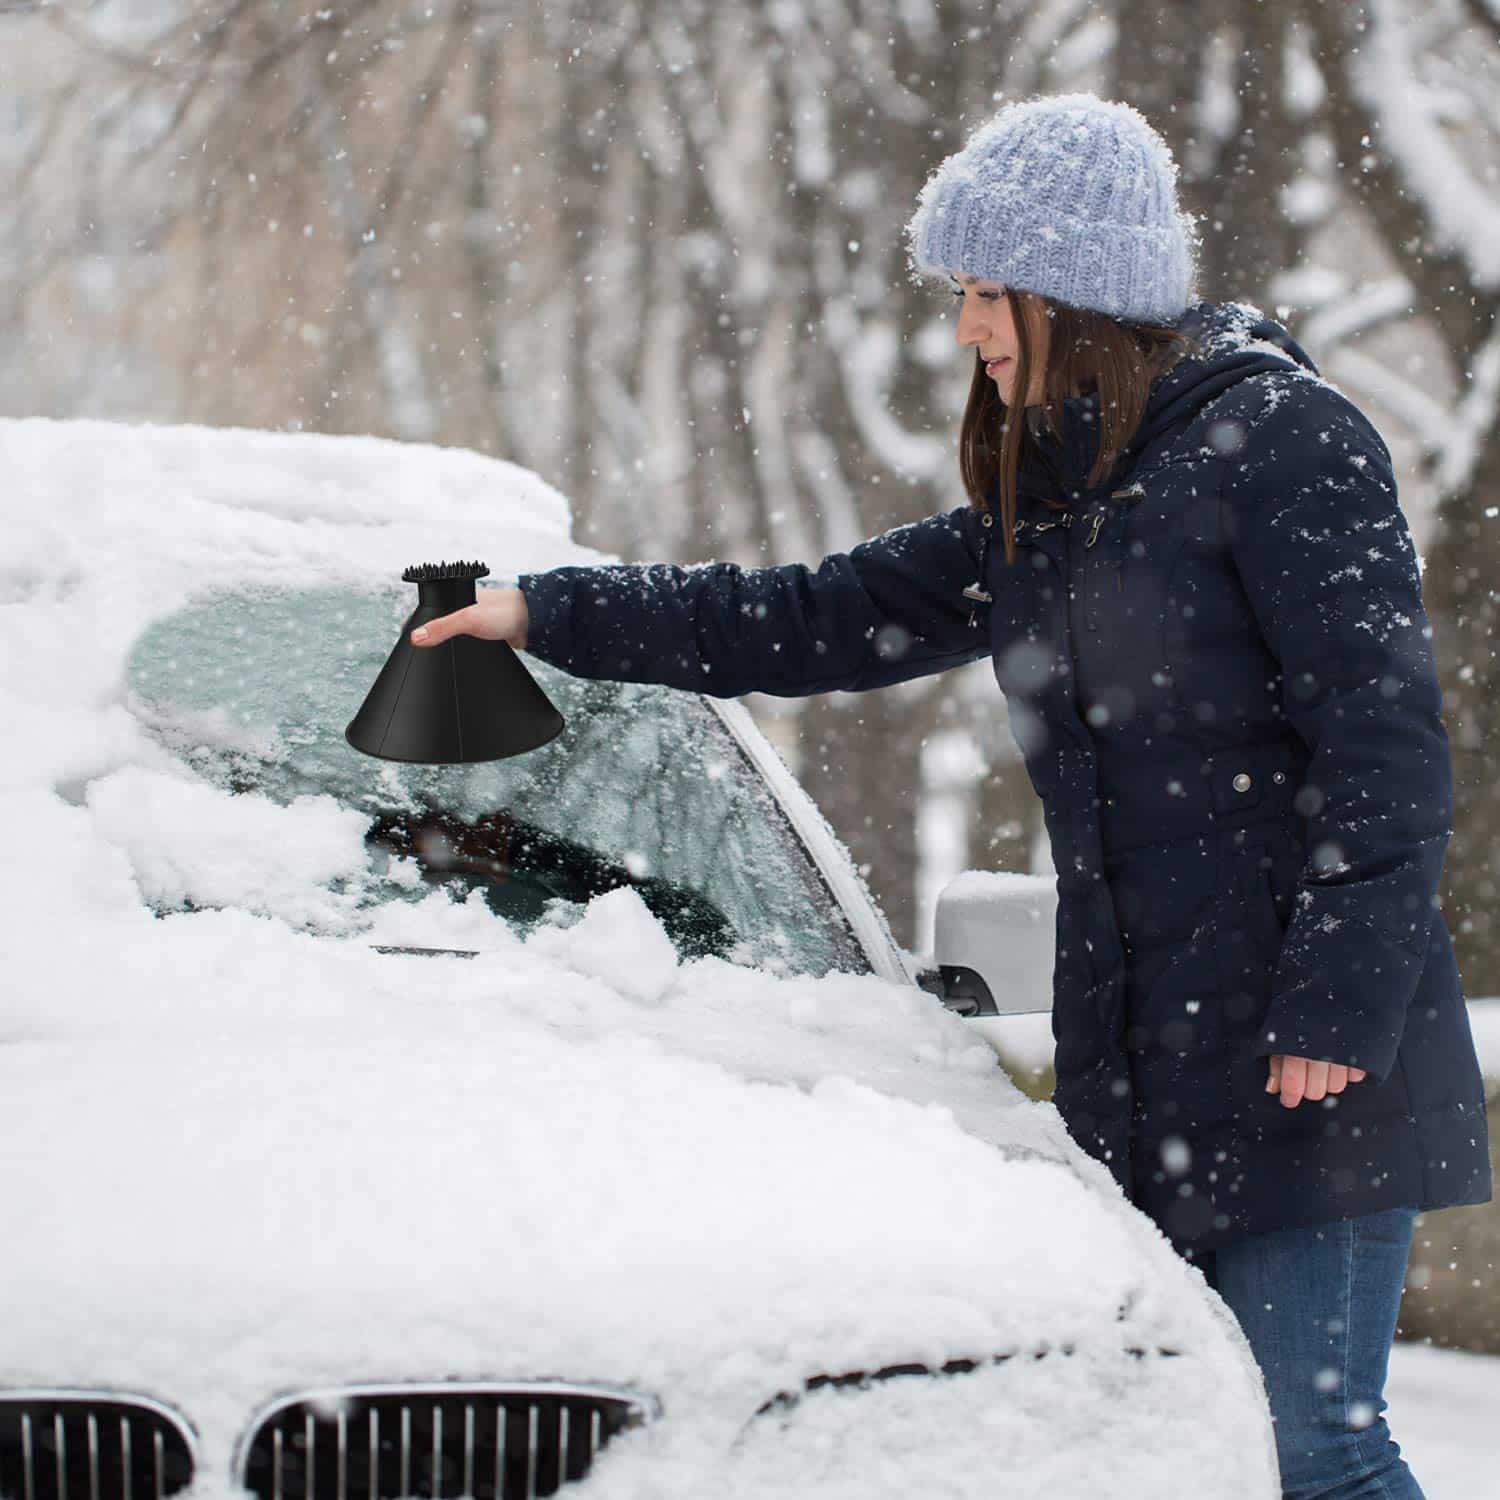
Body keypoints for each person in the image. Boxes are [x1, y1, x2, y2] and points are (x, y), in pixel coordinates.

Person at [409, 93, 1491, 1498]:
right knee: (1195, 1458)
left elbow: (1387, 750)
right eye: (963, 293)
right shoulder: (1051, 498)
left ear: (1077, 293)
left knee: (1313, 1451)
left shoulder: (1285, 444)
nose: (970, 327)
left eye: (989, 292)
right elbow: (802, 618)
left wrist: (1334, 1011)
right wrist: (543, 612)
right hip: (1151, 1063)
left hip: (1309, 1060)